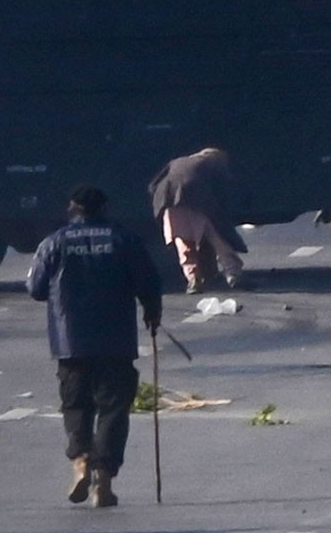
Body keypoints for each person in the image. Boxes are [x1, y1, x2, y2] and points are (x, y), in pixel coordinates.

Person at [25, 185, 166, 509]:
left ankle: (81, 461)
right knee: (113, 408)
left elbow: (35, 287)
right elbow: (149, 281)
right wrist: (152, 313)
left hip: (69, 341)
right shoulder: (124, 240)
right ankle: (103, 479)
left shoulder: (54, 242)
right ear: (104, 208)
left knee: (76, 406)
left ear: (72, 208)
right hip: (116, 340)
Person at [148, 147, 247, 292]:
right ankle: (233, 275)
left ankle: (193, 279)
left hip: (170, 202)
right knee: (218, 239)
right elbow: (222, 189)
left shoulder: (176, 162)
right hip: (197, 201)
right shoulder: (211, 165)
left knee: (184, 244)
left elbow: (153, 186)